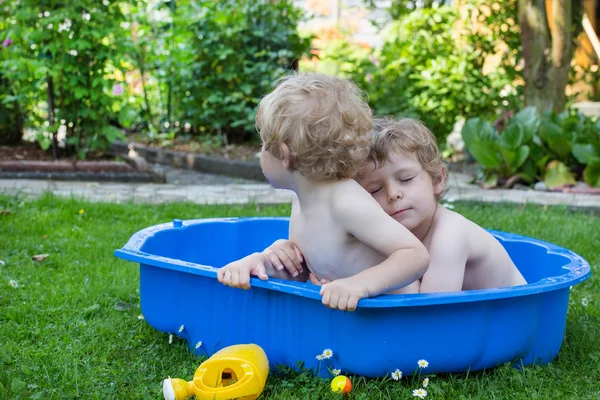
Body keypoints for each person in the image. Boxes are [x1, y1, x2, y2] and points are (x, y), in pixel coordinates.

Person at [217, 74, 429, 311]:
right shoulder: (302, 201)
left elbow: (414, 255)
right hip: (350, 320)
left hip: (397, 318)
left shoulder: (345, 202)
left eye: (264, 144)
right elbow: (304, 270)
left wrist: (360, 285)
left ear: (285, 155)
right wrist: (261, 263)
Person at [307, 117, 527, 292]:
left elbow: (426, 315)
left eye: (405, 179)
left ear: (437, 179)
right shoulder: (391, 237)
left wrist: (356, 285)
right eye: (374, 190)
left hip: (517, 318)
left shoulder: (450, 235)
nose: (393, 194)